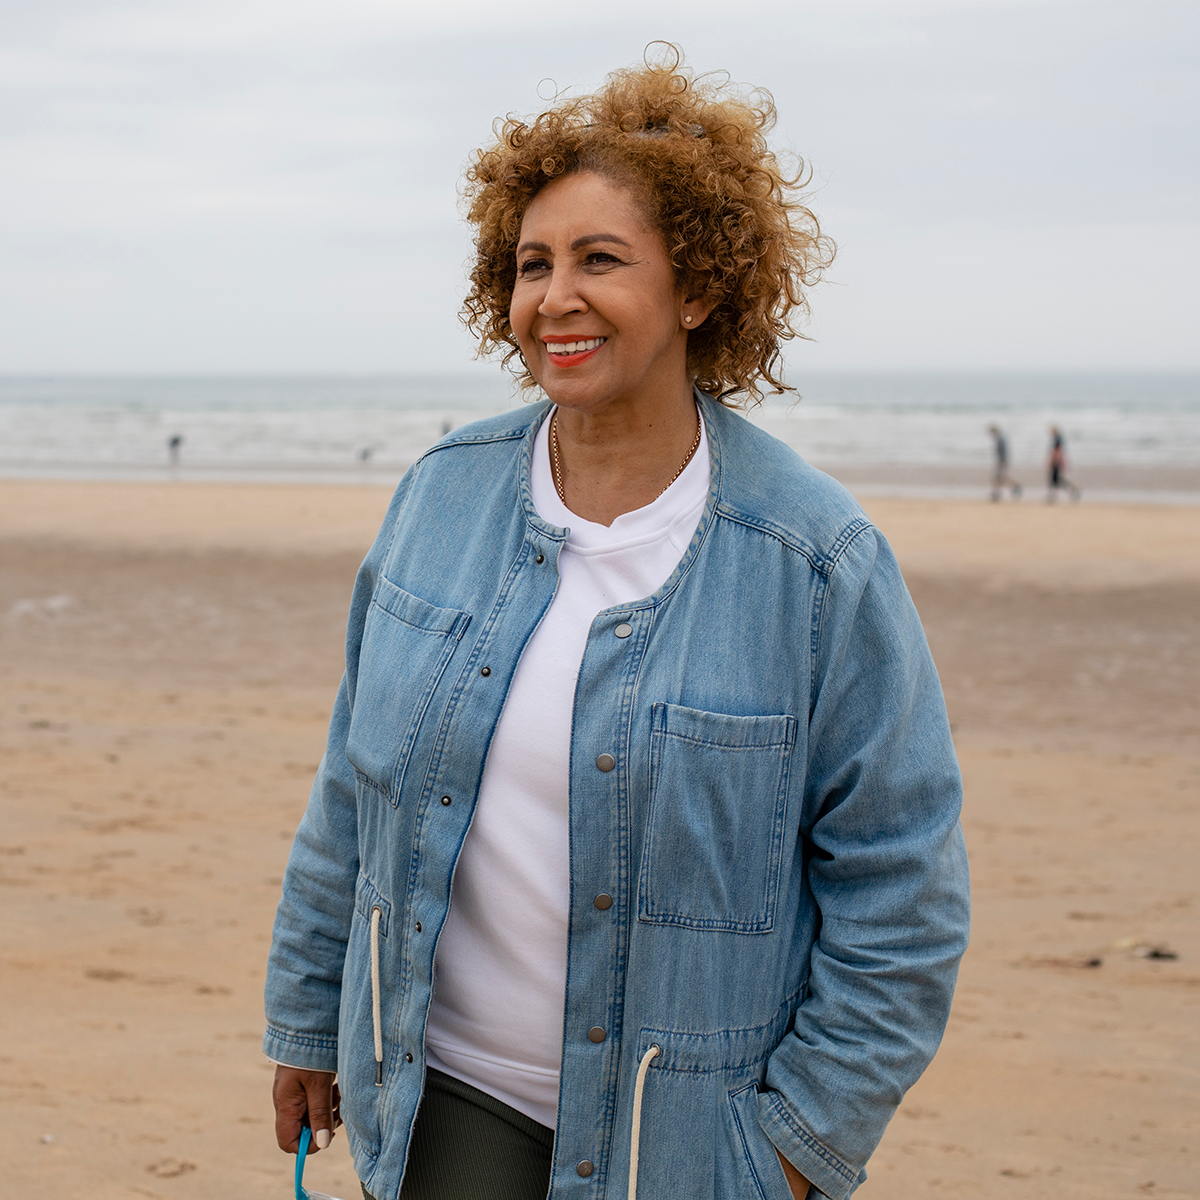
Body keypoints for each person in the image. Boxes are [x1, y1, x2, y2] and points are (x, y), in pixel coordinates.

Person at [264, 48, 969, 1200]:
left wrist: (797, 1147)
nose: (557, 297)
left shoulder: (815, 561)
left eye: (601, 260)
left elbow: (904, 886)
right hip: (447, 1104)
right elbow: (354, 785)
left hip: (686, 1147)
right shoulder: (440, 495)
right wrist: (304, 1014)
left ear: (695, 290)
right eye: (533, 264)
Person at [1046, 424, 1080, 502]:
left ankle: (1072, 489)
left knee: (1056, 480)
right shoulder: (1058, 439)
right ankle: (1054, 496)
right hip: (1057, 461)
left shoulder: (1057, 440)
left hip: (1056, 462)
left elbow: (1057, 452)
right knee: (1055, 480)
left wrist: (1053, 461)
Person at [987, 423, 1021, 501]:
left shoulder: (1000, 439)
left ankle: (1014, 486)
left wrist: (1000, 461)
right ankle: (997, 493)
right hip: (1002, 461)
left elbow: (1002, 452)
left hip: (1002, 461)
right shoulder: (1000, 439)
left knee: (1000, 477)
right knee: (999, 478)